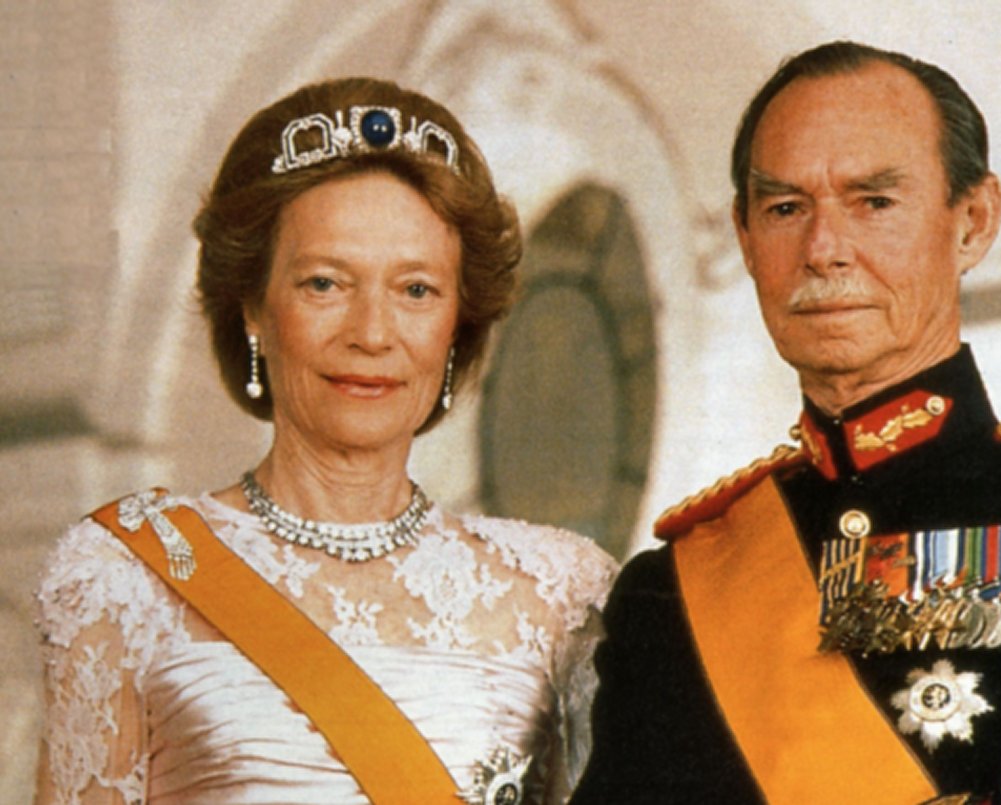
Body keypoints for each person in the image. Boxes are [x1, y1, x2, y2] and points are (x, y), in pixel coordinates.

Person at [572, 41, 1001, 805]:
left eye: (874, 201)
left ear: (972, 221)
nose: (824, 249)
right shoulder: (667, 595)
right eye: (784, 208)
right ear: (744, 237)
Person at [34, 77, 616, 805]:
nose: (371, 334)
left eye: (415, 291)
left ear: (458, 324)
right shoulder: (125, 578)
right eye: (324, 284)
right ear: (251, 307)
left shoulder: (561, 593)